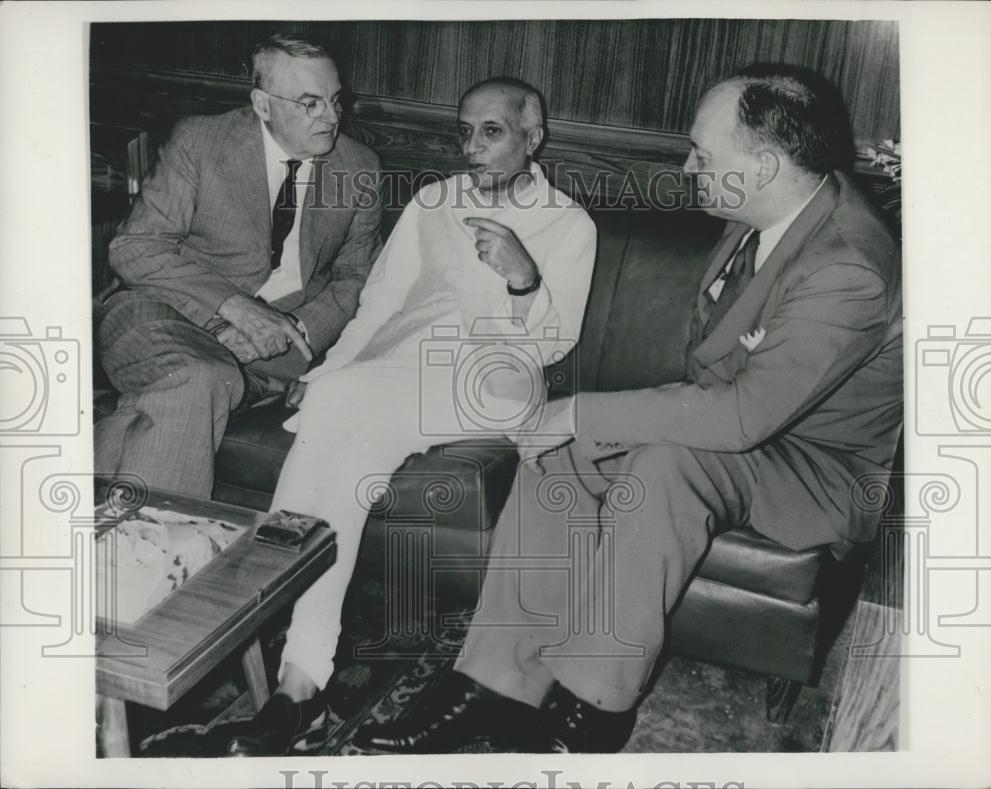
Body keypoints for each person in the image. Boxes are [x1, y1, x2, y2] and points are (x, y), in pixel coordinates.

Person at [355, 64, 903, 754]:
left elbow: (741, 415)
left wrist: (582, 412)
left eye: (703, 154)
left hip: (816, 467)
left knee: (665, 462)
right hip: (751, 426)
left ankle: (593, 709)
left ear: (765, 164)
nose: (686, 165)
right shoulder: (764, 208)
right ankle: (498, 683)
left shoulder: (846, 265)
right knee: (557, 445)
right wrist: (572, 424)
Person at [219, 77, 597, 756]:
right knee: (348, 458)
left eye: (493, 131)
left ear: (532, 138)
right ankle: (299, 682)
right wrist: (327, 370)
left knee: (337, 415)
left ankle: (259, 627)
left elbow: (554, 340)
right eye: (465, 130)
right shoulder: (432, 202)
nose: (472, 146)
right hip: (398, 376)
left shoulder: (570, 223)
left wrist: (524, 279)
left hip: (493, 382)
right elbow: (379, 305)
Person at [94, 33, 382, 498]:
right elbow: (135, 247)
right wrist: (236, 308)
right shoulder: (201, 141)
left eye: (335, 100)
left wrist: (293, 327)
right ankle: (162, 544)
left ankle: (112, 536)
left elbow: (357, 278)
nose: (331, 117)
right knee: (199, 374)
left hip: (275, 351)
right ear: (262, 104)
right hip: (159, 316)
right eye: (309, 103)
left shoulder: (360, 167)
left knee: (196, 383)